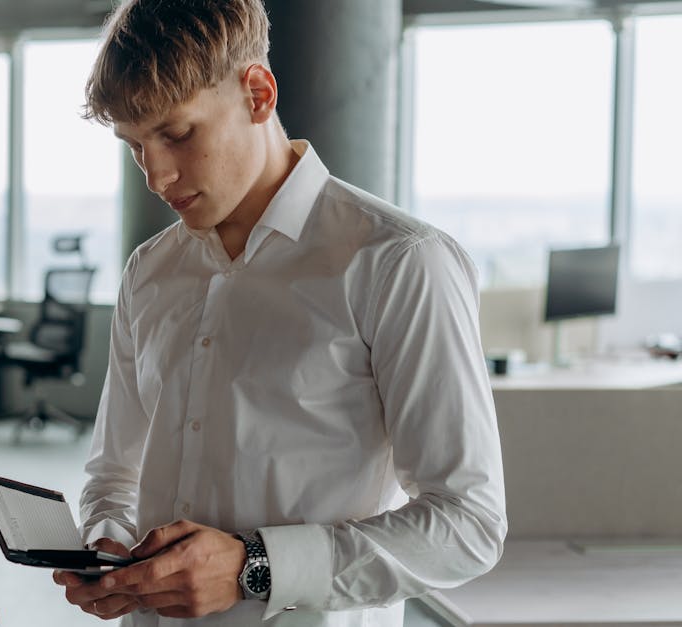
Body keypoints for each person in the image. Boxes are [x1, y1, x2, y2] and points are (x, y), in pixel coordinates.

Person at [53, 1, 507, 625]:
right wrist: (105, 542)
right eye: (134, 146)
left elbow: (468, 524)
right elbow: (114, 473)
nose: (156, 175)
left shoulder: (400, 263)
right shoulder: (149, 272)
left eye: (178, 133)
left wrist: (254, 567)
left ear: (258, 93)